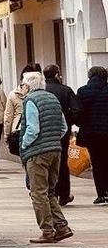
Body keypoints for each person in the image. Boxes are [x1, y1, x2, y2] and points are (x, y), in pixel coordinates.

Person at [20, 71, 74, 243]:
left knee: (38, 193)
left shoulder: (30, 100)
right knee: (49, 191)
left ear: (27, 86)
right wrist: (52, 140)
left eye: (22, 85)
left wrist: (24, 144)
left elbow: (32, 129)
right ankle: (62, 226)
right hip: (55, 150)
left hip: (37, 152)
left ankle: (47, 231)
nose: (21, 88)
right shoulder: (52, 99)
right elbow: (63, 127)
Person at [44, 65, 82, 205]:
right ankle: (64, 194)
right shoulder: (65, 90)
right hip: (63, 131)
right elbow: (77, 109)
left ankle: (50, 192)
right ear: (57, 74)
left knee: (46, 162)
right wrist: (69, 120)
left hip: (45, 132)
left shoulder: (41, 90)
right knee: (62, 161)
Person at [76, 66, 108, 205]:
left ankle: (101, 193)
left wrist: (82, 124)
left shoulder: (83, 91)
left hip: (91, 134)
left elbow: (77, 112)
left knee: (96, 162)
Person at [4, 63, 41, 140]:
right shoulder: (42, 95)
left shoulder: (13, 94)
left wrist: (7, 135)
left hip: (18, 130)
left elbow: (8, 118)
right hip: (38, 130)